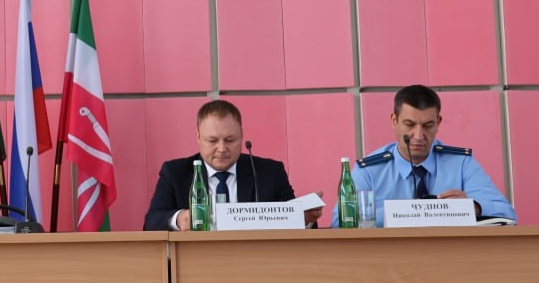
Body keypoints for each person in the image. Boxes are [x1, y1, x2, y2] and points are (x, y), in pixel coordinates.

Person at [340, 84, 517, 227]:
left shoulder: (461, 163)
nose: (418, 136)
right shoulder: (368, 170)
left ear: (438, 123)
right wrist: (403, 212)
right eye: (409, 124)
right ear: (394, 121)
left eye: (428, 125)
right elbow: (340, 224)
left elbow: (507, 214)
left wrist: (472, 207)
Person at [144, 99, 323, 230]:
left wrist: (303, 219)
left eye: (230, 140)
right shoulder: (175, 173)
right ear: (198, 137)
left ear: (241, 135)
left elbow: (292, 218)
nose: (222, 149)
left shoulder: (269, 172)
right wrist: (179, 219)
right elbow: (151, 223)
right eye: (212, 140)